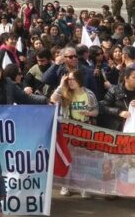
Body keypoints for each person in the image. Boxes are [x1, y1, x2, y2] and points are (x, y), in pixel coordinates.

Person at [50, 69, 97, 197]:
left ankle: (83, 188)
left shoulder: (89, 94)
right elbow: (53, 99)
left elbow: (96, 110)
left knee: (83, 159)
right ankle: (66, 186)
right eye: (68, 79)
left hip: (84, 129)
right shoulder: (65, 94)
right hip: (69, 130)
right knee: (69, 158)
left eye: (72, 79)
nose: (70, 82)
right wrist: (61, 85)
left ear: (79, 80)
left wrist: (89, 113)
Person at [99, 66, 135, 131]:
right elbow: (103, 107)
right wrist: (119, 112)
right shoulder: (114, 90)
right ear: (126, 79)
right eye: (134, 77)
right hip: (119, 128)